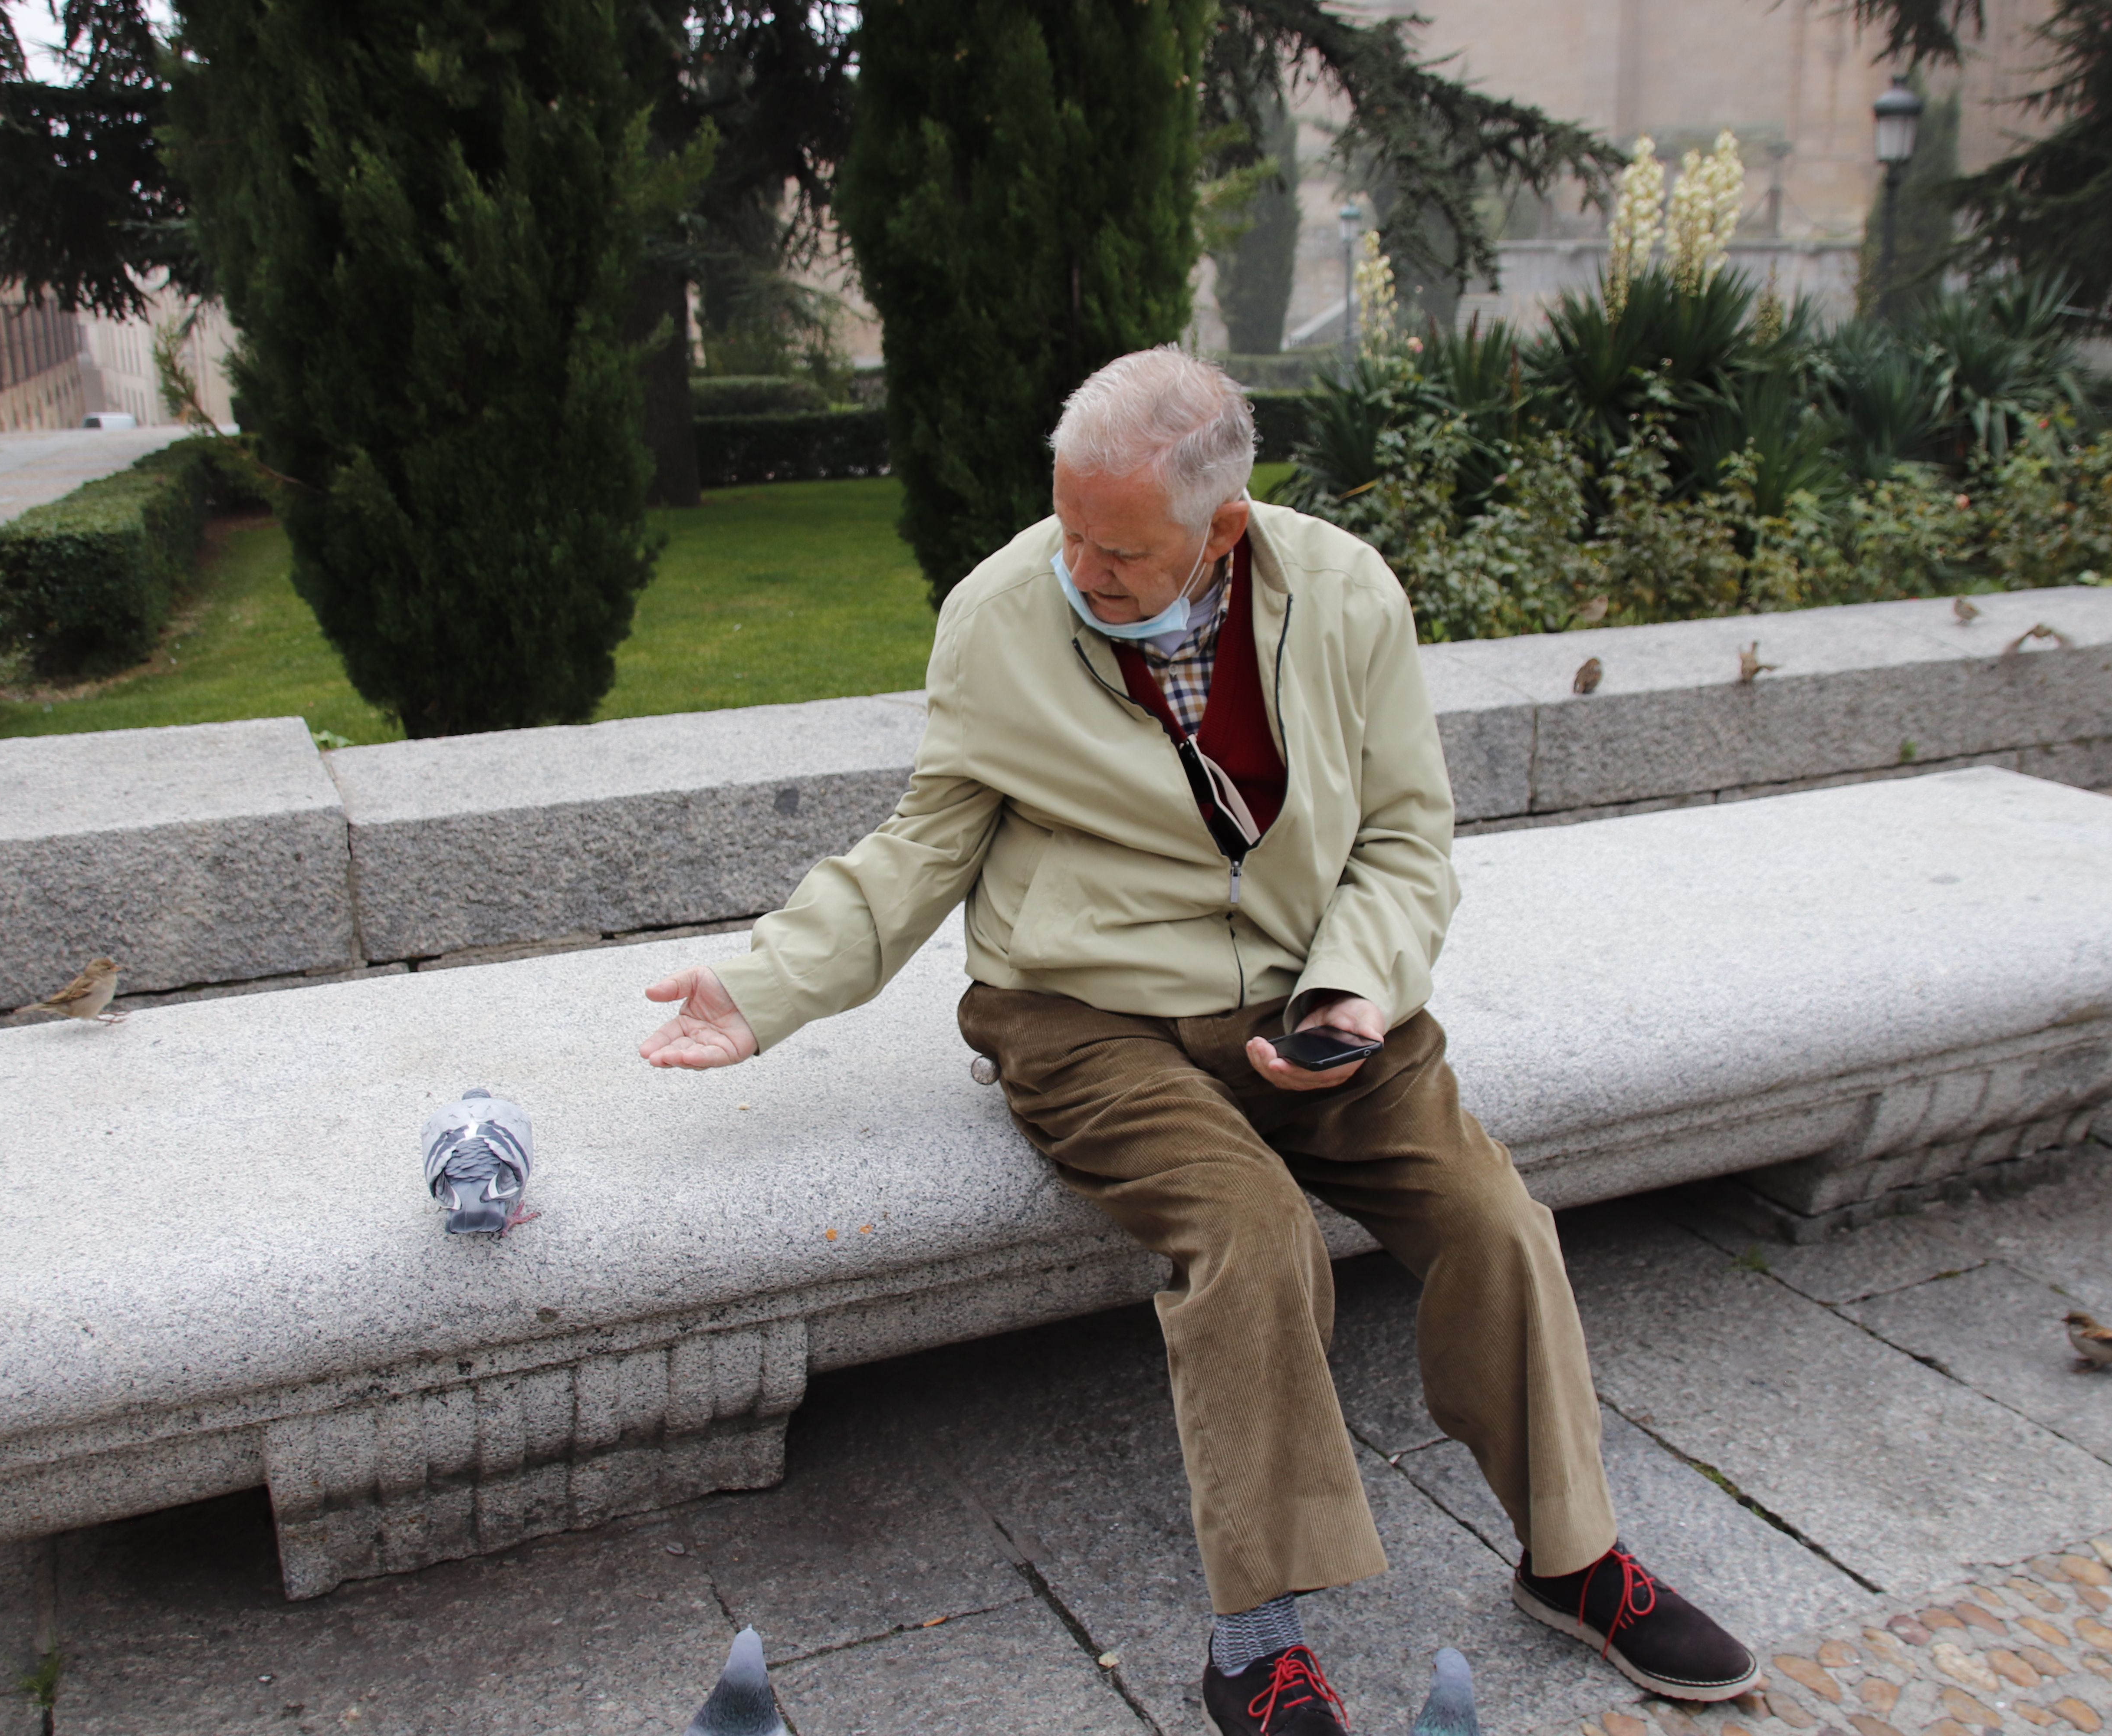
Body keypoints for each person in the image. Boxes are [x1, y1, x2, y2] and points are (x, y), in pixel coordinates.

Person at [637, 349, 1760, 1733]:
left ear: (1223, 526)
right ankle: (1256, 1644)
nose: (1082, 569)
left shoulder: (1344, 593)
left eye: (1120, 550)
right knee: (1251, 1229)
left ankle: (1572, 1555)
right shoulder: (998, 615)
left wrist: (1353, 994)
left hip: (1311, 1000)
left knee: (1493, 1214)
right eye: (1068, 531)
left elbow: (1407, 832)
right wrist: (765, 988)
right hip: (1081, 1015)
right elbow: (922, 842)